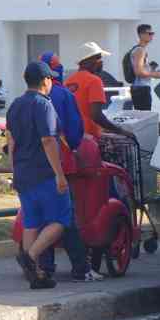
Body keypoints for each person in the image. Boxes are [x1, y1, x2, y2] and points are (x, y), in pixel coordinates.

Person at [35, 52, 103, 283]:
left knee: (41, 218)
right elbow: (74, 132)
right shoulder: (63, 94)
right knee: (66, 217)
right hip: (61, 165)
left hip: (33, 168)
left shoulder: (20, 101)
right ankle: (80, 268)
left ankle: (45, 266)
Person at [7, 61, 70, 290]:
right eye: (50, 79)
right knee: (60, 220)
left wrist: (15, 171)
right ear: (45, 81)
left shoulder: (15, 105)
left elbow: (11, 141)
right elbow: (48, 140)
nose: (51, 82)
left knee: (31, 223)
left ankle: (36, 275)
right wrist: (60, 175)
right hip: (44, 173)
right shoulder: (44, 105)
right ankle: (30, 257)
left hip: (23, 173)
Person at [66, 42, 133, 140]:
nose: (101, 62)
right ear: (89, 60)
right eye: (99, 58)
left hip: (71, 137)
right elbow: (96, 115)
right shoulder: (94, 81)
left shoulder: (68, 81)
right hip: (89, 139)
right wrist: (120, 130)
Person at [126, 24, 160, 111]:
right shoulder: (140, 50)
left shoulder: (138, 49)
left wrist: (151, 70)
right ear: (141, 35)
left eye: (152, 33)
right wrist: (156, 74)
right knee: (144, 117)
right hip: (141, 89)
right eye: (149, 33)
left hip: (139, 88)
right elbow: (139, 72)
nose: (152, 36)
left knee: (142, 116)